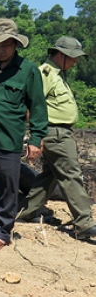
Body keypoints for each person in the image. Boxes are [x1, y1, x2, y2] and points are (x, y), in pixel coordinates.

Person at [0, 19, 48, 252]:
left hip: (7, 138)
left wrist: (36, 139)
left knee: (7, 186)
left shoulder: (28, 71)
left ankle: (2, 232)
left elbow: (38, 107)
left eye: (4, 45)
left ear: (15, 44)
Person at [18, 36, 96, 241]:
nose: (75, 61)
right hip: (55, 132)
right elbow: (32, 106)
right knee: (71, 175)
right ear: (61, 55)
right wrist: (37, 134)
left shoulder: (59, 75)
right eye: (73, 57)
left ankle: (28, 211)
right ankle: (84, 223)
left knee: (50, 175)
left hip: (59, 131)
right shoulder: (45, 74)